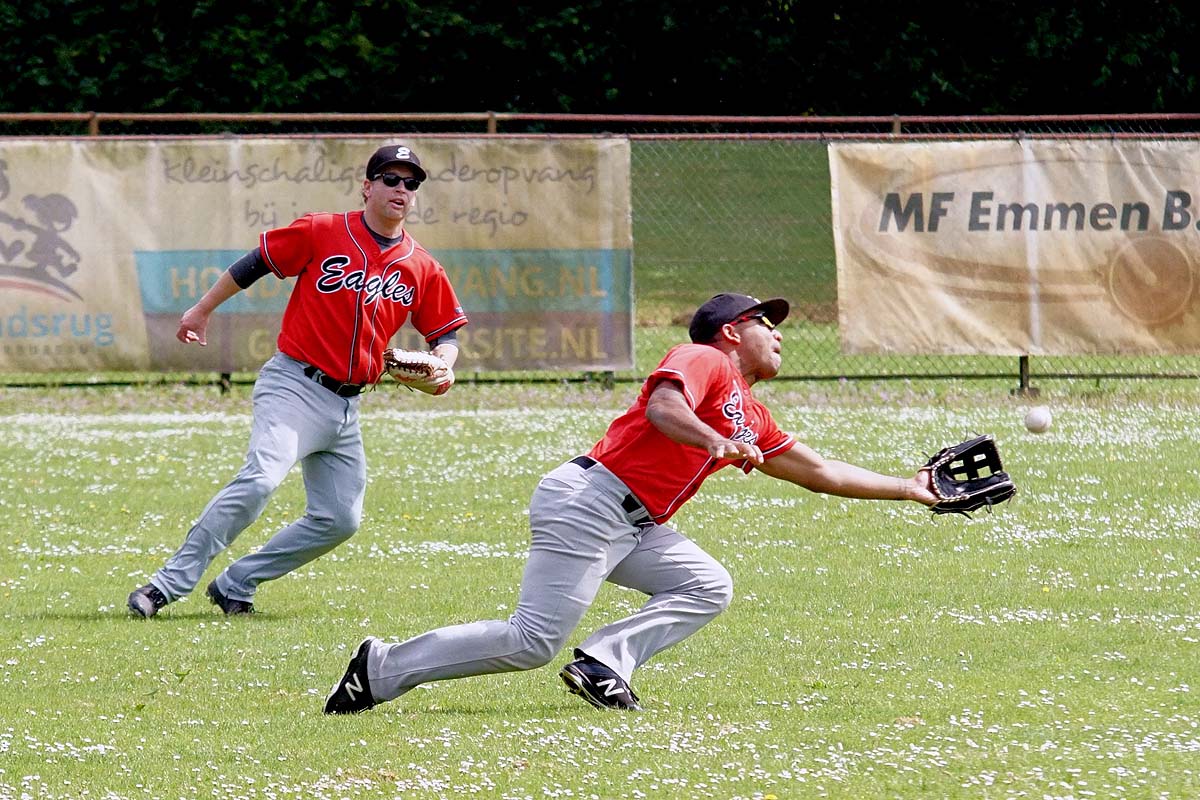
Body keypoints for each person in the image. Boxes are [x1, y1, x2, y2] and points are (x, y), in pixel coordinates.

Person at [323, 292, 936, 714]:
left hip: (634, 523)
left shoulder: (749, 410)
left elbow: (820, 472)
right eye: (763, 322)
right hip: (590, 503)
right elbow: (665, 410)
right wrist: (717, 440)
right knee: (531, 642)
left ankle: (604, 663)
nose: (776, 333)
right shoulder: (704, 359)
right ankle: (380, 668)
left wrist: (909, 487)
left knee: (706, 584)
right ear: (730, 332)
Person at [128, 144, 467, 618]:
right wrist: (201, 310)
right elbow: (255, 263)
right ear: (367, 186)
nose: (401, 189)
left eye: (411, 183)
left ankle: (236, 583)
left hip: (347, 408)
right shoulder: (324, 230)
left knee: (339, 520)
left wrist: (444, 361)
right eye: (390, 178)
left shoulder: (421, 264)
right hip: (295, 385)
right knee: (261, 480)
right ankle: (165, 585)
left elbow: (445, 331)